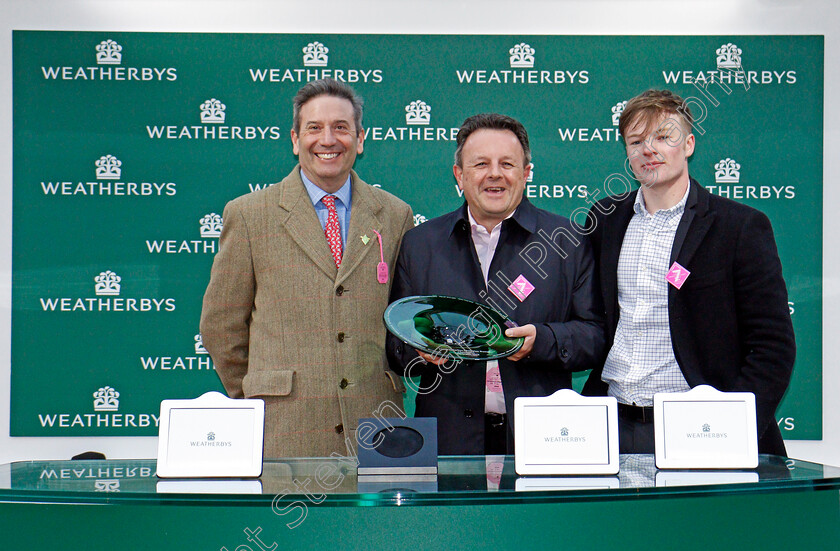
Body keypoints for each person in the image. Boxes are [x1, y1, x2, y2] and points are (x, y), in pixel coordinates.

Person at [200, 78, 414, 458]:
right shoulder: (249, 216)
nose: (327, 140)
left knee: (371, 522)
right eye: (314, 128)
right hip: (283, 429)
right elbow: (221, 326)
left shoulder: (395, 216)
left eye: (341, 128)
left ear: (360, 139)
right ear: (295, 139)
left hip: (377, 425)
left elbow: (404, 319)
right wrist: (260, 392)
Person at [583, 89, 795, 455]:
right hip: (610, 425)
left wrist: (734, 426)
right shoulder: (604, 219)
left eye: (664, 137)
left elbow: (773, 346)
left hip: (699, 427)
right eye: (636, 141)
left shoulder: (739, 227)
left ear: (689, 144)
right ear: (627, 154)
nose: (649, 149)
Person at [387, 113, 605, 455]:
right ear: (460, 174)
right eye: (481, 164)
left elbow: (594, 336)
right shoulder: (420, 244)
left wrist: (542, 341)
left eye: (507, 163)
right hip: (450, 440)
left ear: (526, 173)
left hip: (543, 437)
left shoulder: (566, 241)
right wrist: (418, 349)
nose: (495, 174)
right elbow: (395, 343)